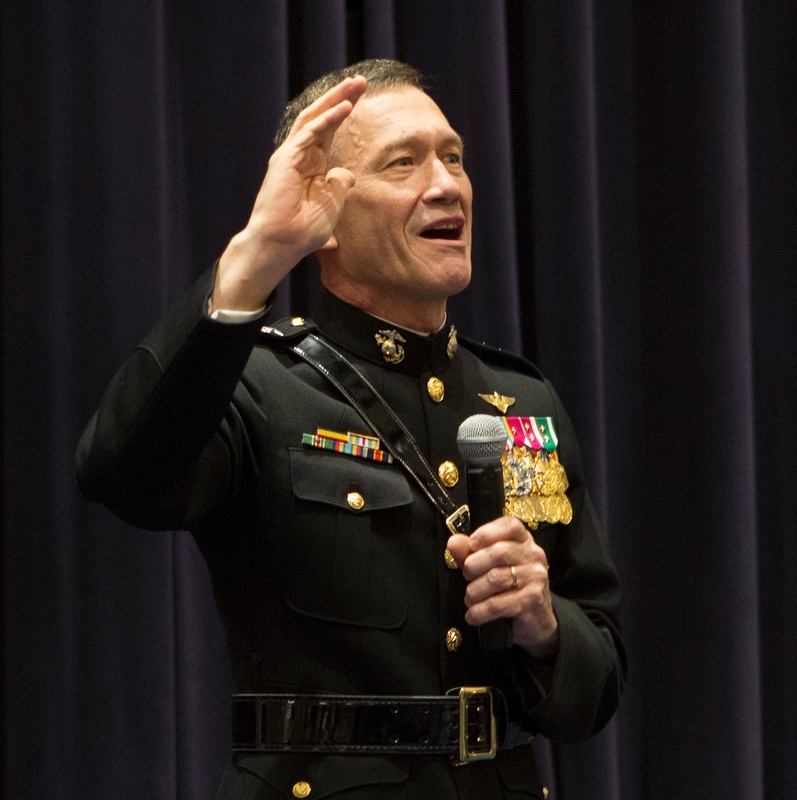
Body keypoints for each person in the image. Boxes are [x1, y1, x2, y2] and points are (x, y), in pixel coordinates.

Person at [76, 58, 625, 800]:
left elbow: (600, 682)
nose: (446, 184)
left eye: (453, 157)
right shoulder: (258, 387)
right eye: (404, 163)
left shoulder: (521, 402)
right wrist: (254, 259)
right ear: (323, 212)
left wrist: (543, 624)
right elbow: (122, 474)